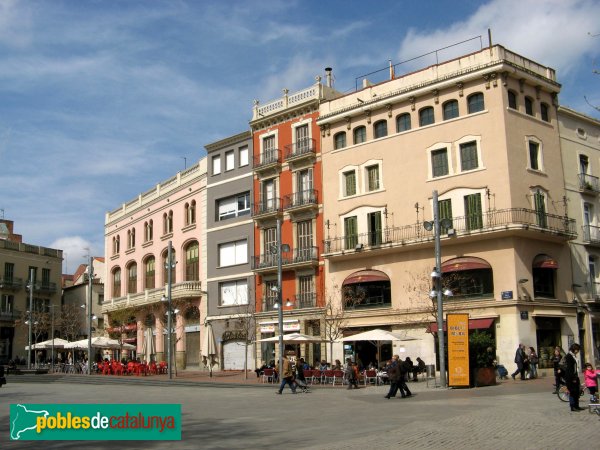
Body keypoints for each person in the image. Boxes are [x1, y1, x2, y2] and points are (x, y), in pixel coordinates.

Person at [564, 343, 584, 411]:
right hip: (571, 377)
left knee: (577, 392)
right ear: (574, 349)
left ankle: (577, 405)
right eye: (577, 350)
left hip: (575, 376)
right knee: (572, 392)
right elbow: (569, 369)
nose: (578, 351)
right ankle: (572, 406)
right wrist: (573, 378)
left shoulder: (574, 356)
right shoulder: (569, 356)